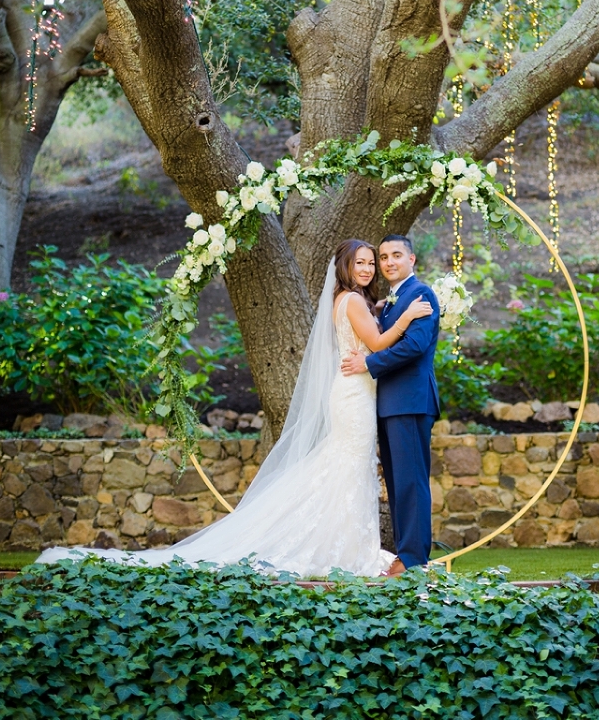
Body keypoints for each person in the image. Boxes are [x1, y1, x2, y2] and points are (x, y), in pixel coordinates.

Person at [36, 238, 432, 578]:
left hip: (356, 393)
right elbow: (379, 346)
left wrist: (383, 313)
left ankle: (349, 547)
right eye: (360, 262)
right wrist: (407, 317)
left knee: (349, 467)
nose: (367, 268)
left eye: (370, 262)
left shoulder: (357, 301)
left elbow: (371, 335)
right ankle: (346, 550)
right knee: (347, 466)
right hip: (354, 394)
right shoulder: (353, 301)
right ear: (344, 267)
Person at [341, 234, 440, 577]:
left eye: (396, 255)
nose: (387, 262)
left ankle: (412, 559)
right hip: (387, 403)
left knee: (411, 482)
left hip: (411, 401)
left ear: (412, 259)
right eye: (382, 257)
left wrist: (369, 364)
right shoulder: (394, 300)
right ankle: (405, 554)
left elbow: (414, 346)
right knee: (398, 485)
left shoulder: (420, 294)